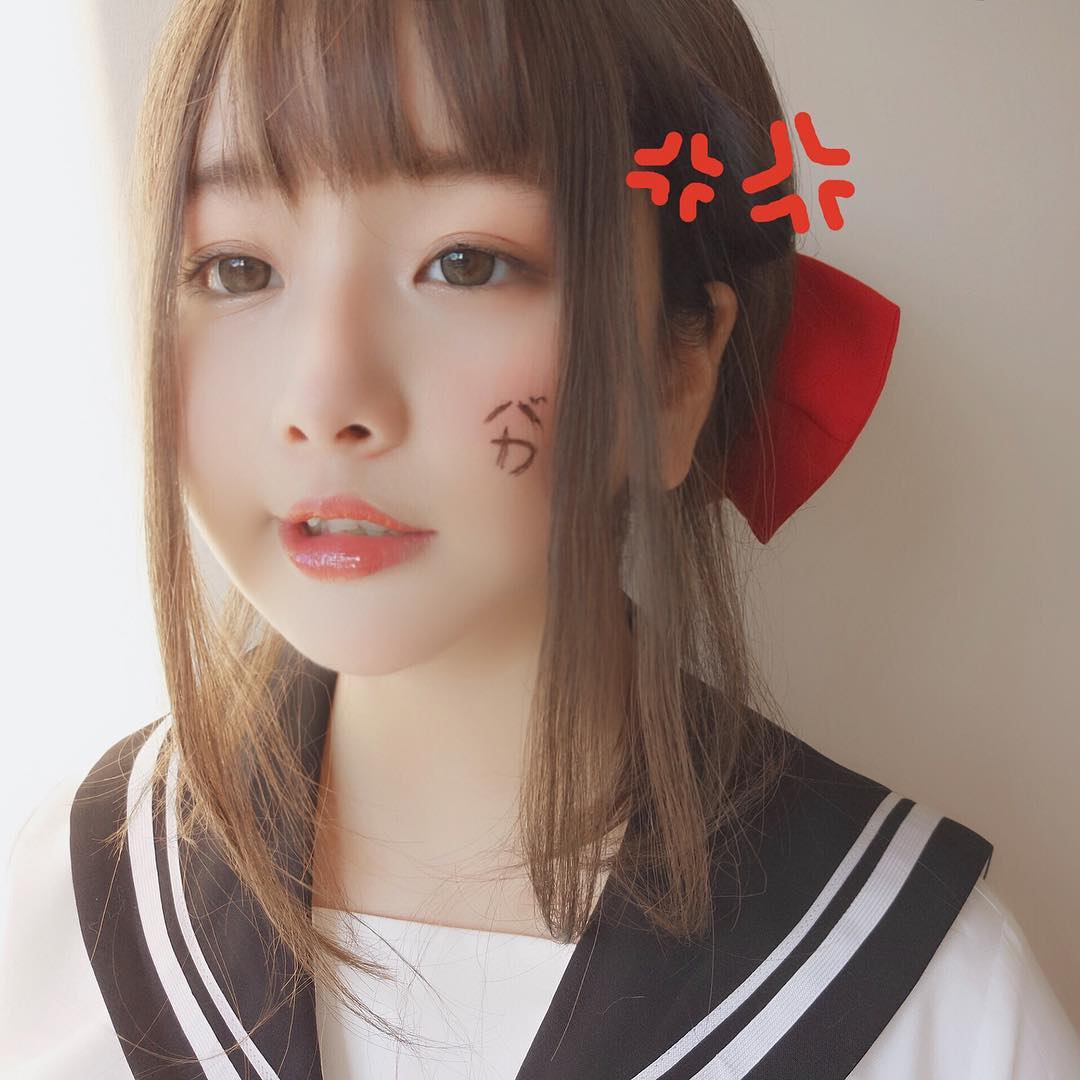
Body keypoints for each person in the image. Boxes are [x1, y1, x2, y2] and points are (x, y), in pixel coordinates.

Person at [2, 1, 1079, 1077]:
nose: (325, 400)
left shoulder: (933, 1006)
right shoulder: (56, 915)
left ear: (676, 373)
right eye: (237, 269)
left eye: (467, 263)